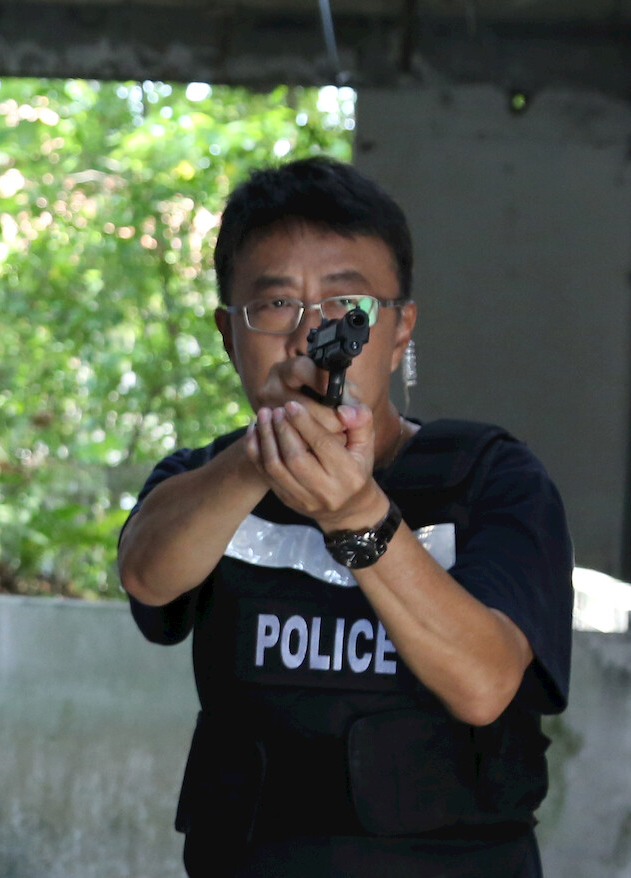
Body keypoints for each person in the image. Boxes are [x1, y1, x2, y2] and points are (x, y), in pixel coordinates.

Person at [117, 157, 573, 877]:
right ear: (229, 334)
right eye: (276, 304)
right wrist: (259, 458)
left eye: (346, 304)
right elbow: (146, 575)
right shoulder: (203, 479)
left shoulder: (493, 478)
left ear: (400, 331)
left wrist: (361, 516)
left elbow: (484, 686)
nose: (310, 336)